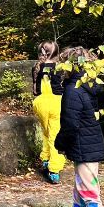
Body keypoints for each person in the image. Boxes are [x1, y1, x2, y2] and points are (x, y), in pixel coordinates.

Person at [55, 47, 104, 207]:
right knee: (79, 191)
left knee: (89, 192)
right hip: (83, 147)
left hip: (85, 147)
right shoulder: (86, 85)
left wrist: (60, 144)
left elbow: (70, 124)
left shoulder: (72, 90)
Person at [31, 40, 65, 185]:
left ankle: (45, 159)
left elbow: (34, 89)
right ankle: (54, 169)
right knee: (55, 136)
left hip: (40, 103)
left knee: (45, 133)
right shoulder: (61, 67)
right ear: (57, 52)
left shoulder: (37, 66)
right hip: (57, 103)